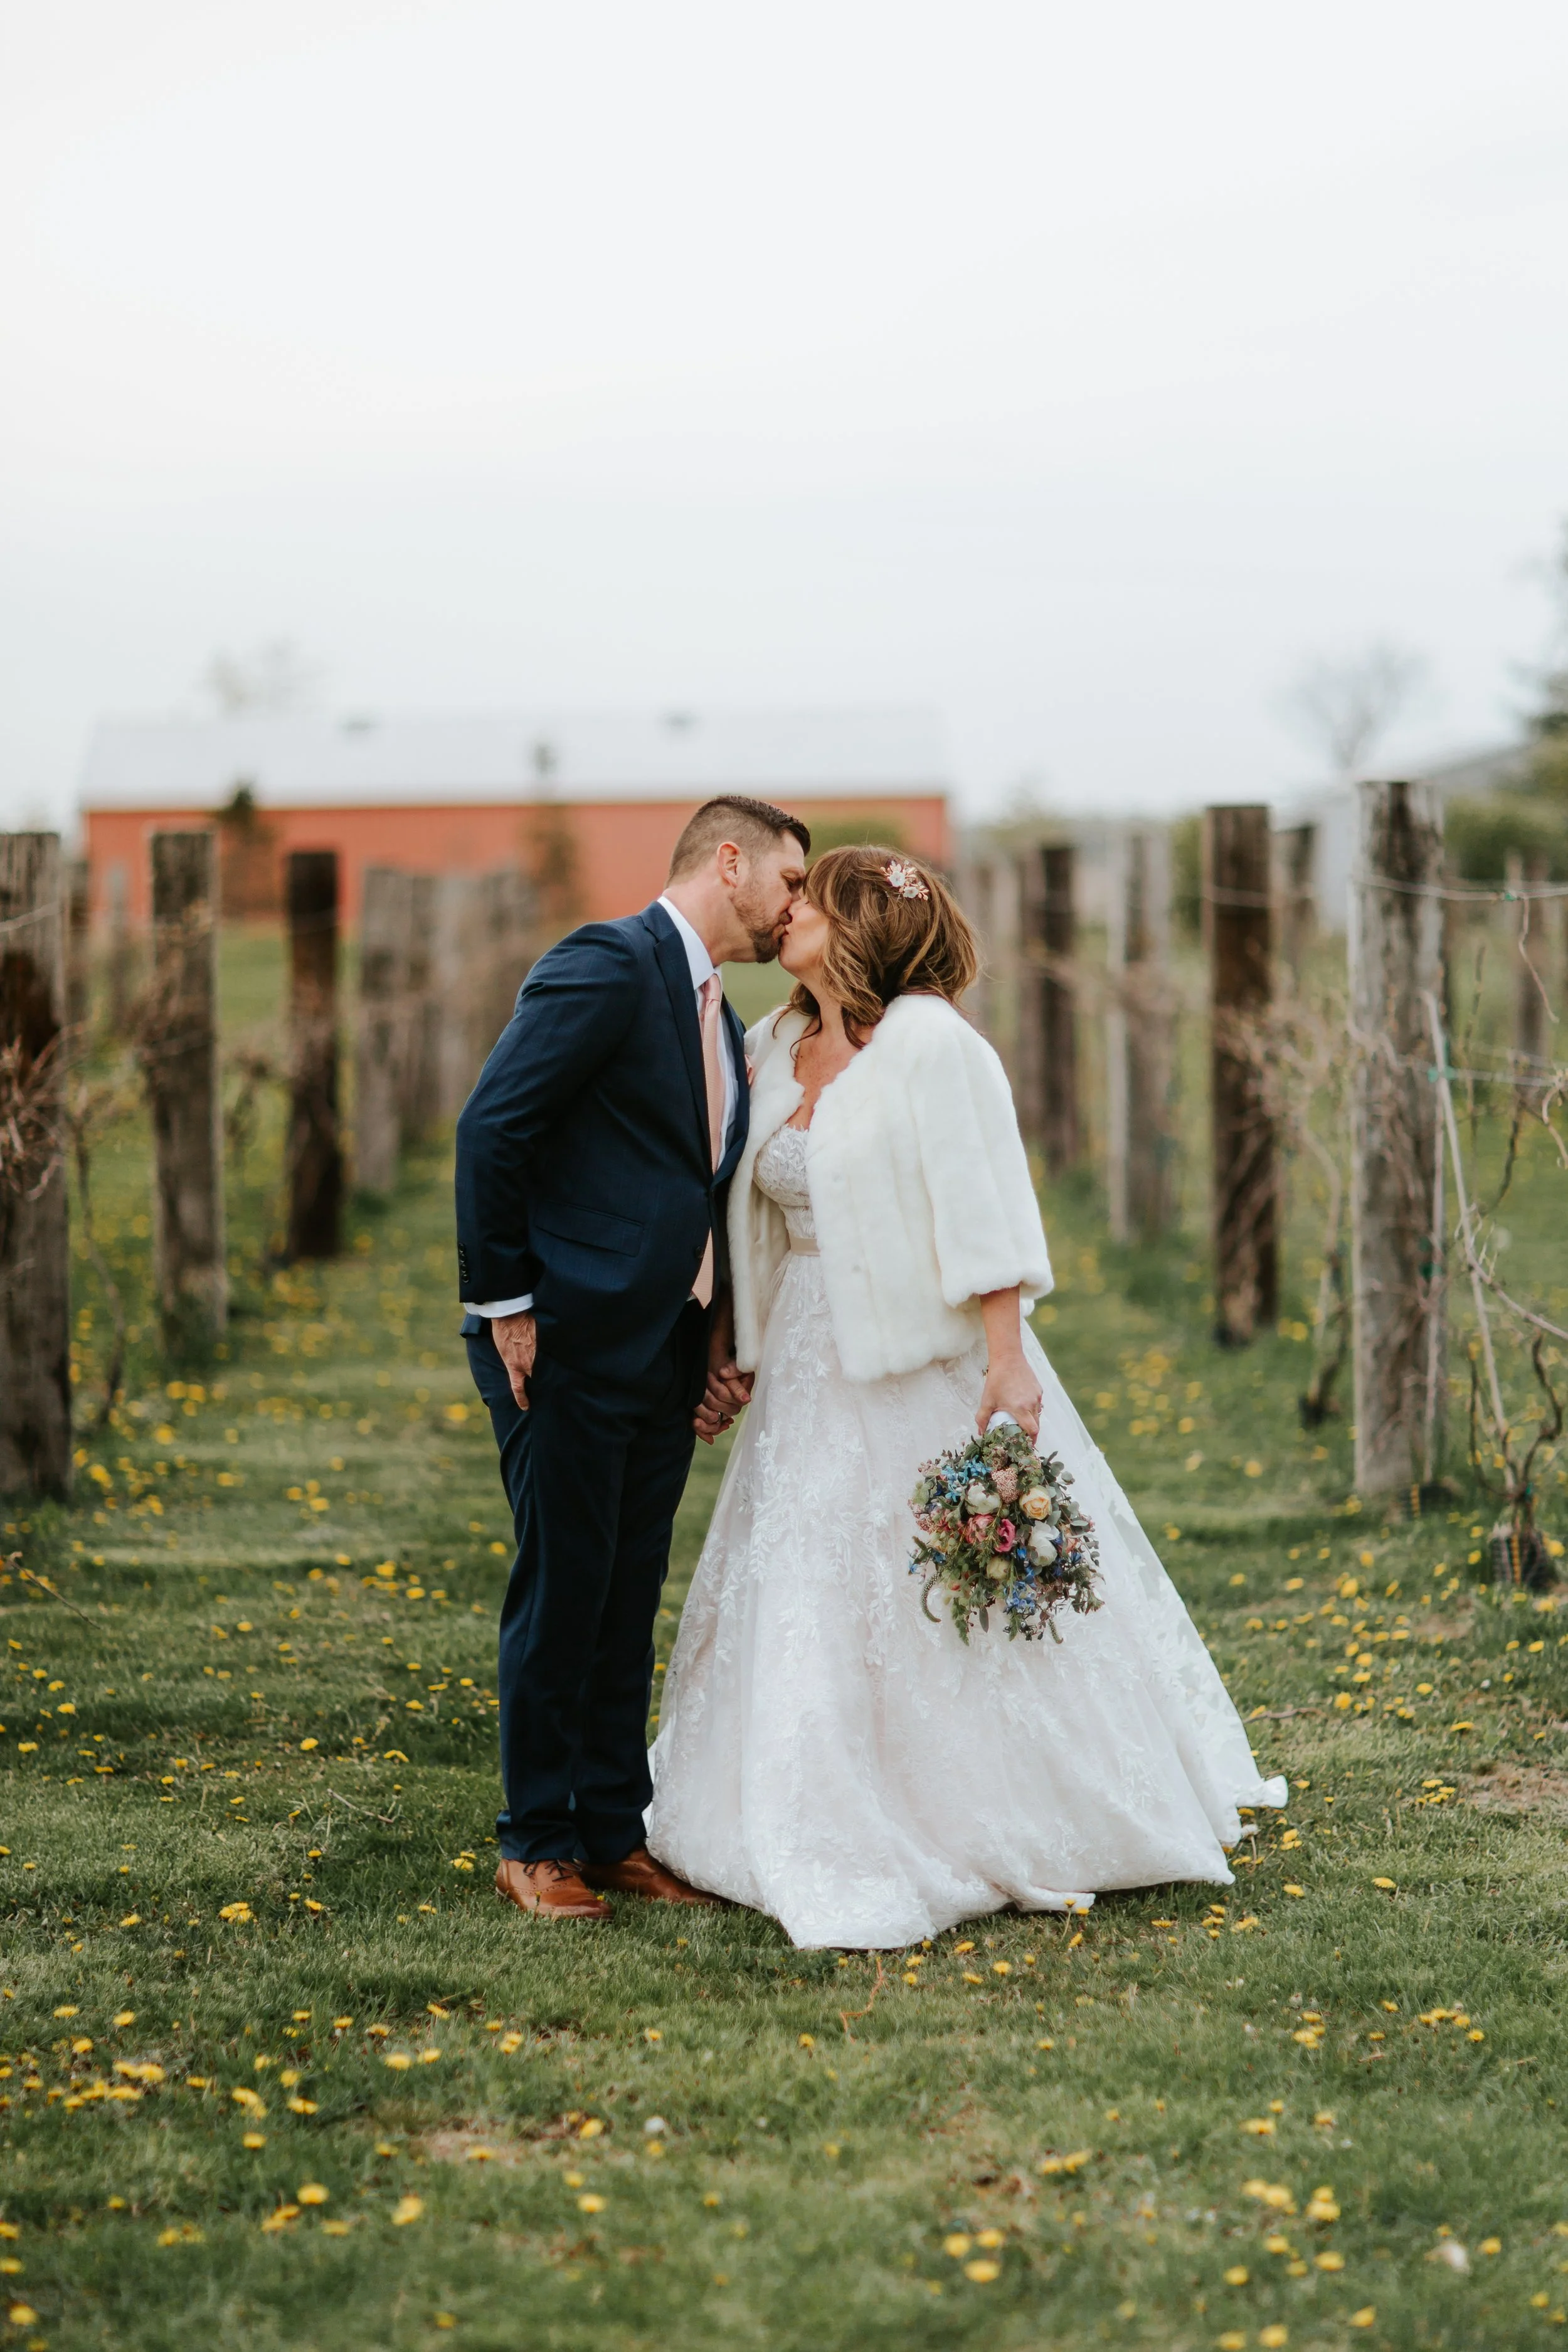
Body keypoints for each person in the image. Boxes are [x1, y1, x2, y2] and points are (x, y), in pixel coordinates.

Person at [647, 845, 1286, 1949]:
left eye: (811, 901)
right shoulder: (771, 1042)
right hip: (803, 1349)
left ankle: (992, 1801)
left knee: (930, 1568)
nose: (786, 912)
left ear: (861, 930)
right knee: (805, 1568)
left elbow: (984, 1205)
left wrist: (1008, 1359)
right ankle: (800, 1787)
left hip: (917, 1355)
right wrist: (730, 1343)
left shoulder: (935, 1047)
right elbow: (739, 1210)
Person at [455, 795, 809, 1919]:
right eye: (792, 883)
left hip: (657, 1351)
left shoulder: (718, 1012)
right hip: (561, 1337)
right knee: (563, 1586)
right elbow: (492, 1127)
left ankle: (613, 1827)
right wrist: (509, 1302)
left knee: (625, 1593)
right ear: (730, 860)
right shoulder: (609, 962)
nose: (798, 907)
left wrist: (714, 1334)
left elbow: (698, 1185)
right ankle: (534, 1839)